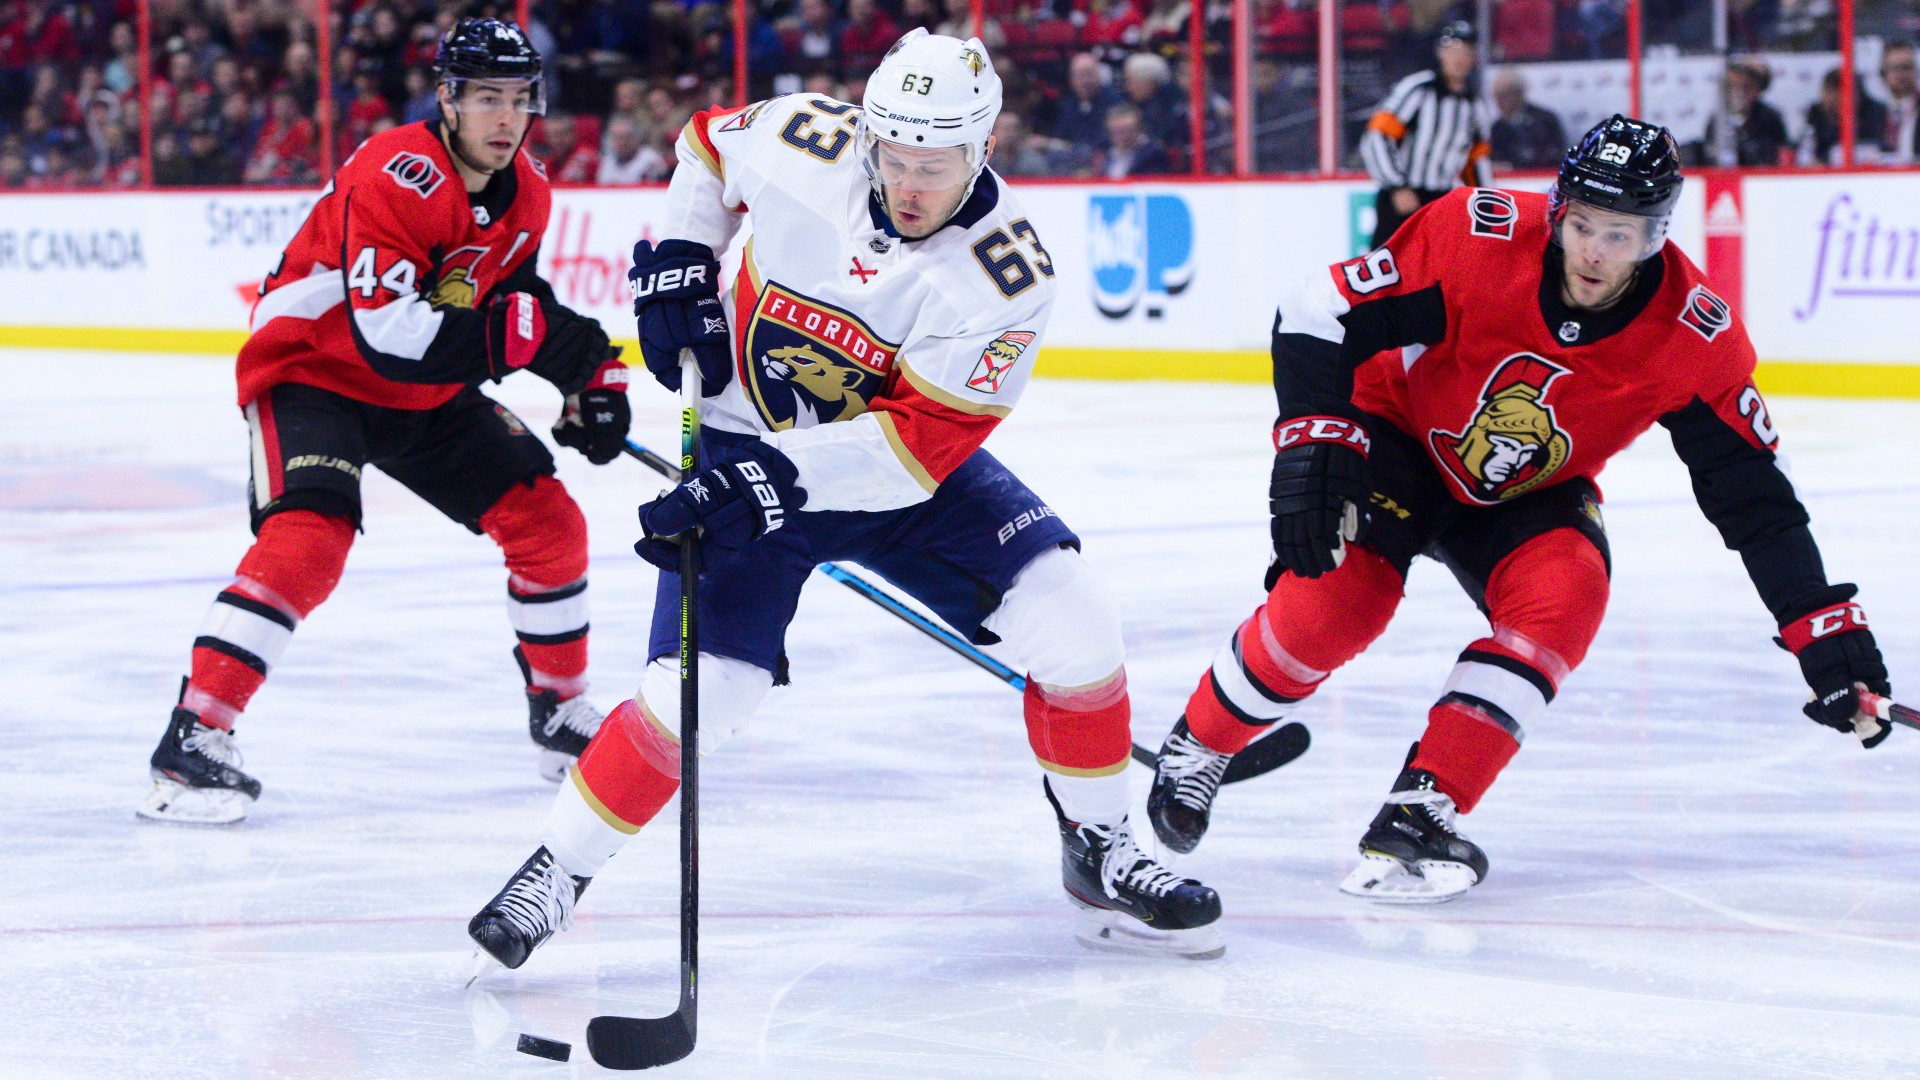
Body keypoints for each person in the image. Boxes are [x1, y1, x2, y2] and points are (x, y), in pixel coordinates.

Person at [467, 28, 1224, 968]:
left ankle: (1100, 846)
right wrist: (685, 255)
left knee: (1072, 614)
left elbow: (916, 447)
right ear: (866, 133)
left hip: (892, 474)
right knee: (703, 692)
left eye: (934, 167)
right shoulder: (805, 138)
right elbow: (706, 149)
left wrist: (777, 480)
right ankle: (555, 871)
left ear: (984, 149)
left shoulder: (1006, 277)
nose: (907, 184)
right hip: (744, 440)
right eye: (893, 156)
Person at [1143, 116, 1896, 903]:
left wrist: (1822, 629)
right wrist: (1314, 440)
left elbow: (1755, 499)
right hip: (1397, 436)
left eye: (1621, 235)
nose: (1594, 252)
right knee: (1337, 608)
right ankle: (1201, 744)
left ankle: (1423, 805)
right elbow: (1316, 310)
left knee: (1568, 591)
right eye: (1583, 225)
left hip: (1527, 486)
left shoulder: (1692, 335)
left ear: (1657, 236)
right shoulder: (1476, 237)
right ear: (1558, 209)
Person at [136, 18, 632, 826]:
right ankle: (194, 736)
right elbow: (390, 333)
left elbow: (514, 301)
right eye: (487, 99)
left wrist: (588, 375)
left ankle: (559, 713)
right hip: (316, 372)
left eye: (519, 100)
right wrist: (534, 343)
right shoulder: (396, 172)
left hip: (420, 390)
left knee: (548, 521)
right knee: (309, 540)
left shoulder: (530, 190)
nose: (506, 119)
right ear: (447, 99)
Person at [1360, 20, 1492, 249]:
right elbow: (1377, 136)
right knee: (1388, 268)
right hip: (1403, 197)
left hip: (1442, 202)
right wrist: (1397, 186)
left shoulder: (1475, 106)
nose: (1459, 58)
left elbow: (1476, 161)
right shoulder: (1417, 90)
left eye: (1466, 51)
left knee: (1439, 269)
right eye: (1453, 50)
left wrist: (1487, 206)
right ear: (1440, 52)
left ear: (1474, 58)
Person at [1694, 58, 1791, 167]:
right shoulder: (1718, 119)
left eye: (1745, 87)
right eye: (1732, 87)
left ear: (1756, 89)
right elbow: (1709, 154)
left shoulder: (1770, 117)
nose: (1738, 93)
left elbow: (1783, 153)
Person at [1489, 70, 1567, 169]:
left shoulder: (1545, 120)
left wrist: (1516, 165)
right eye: (1496, 96)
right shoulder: (1498, 128)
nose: (1499, 101)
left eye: (1504, 95)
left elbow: (1556, 153)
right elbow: (1496, 158)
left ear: (1518, 94)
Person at [1879, 42, 1917, 163]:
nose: (1901, 74)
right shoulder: (1872, 112)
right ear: (1884, 73)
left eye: (1906, 67)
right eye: (1895, 68)